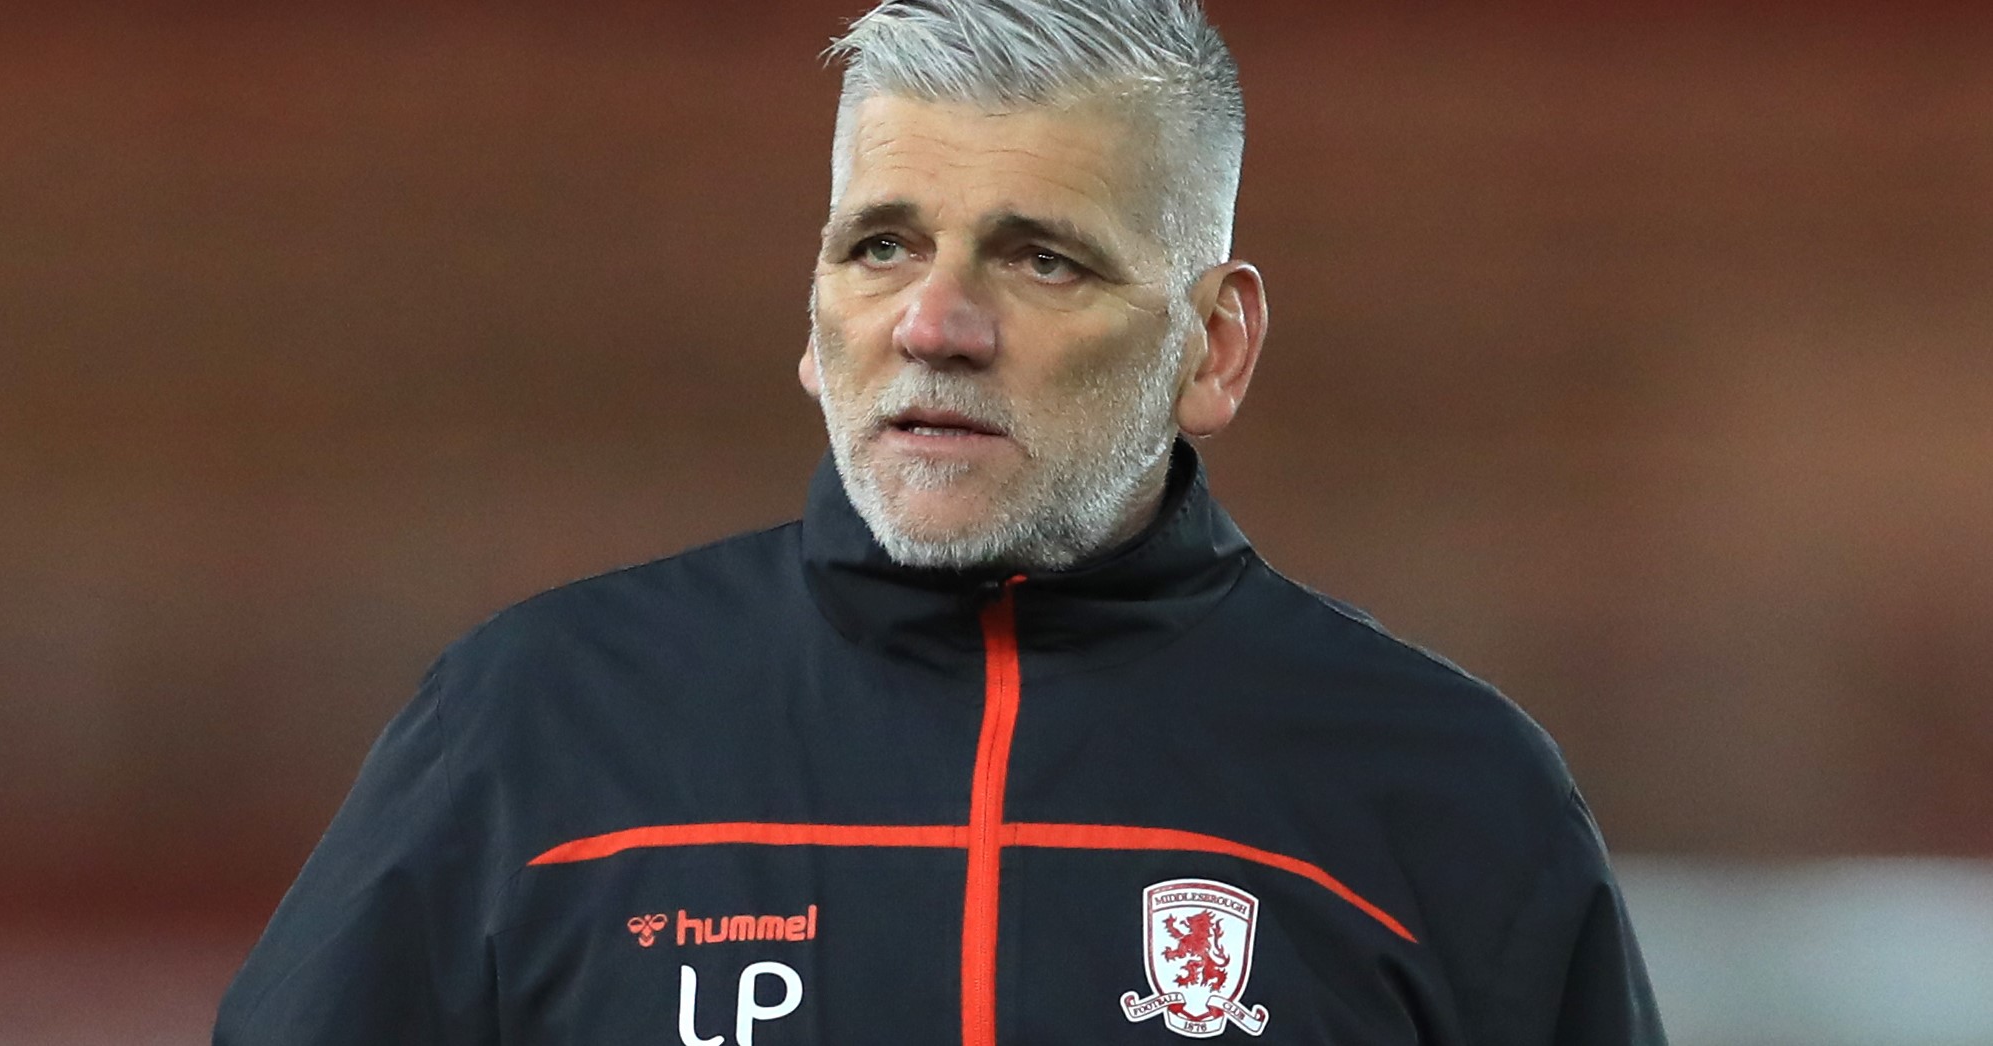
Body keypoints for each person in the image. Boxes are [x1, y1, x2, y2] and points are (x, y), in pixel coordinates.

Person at [216, 1, 1665, 1043]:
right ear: (814, 318)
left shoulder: (1448, 794)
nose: (935, 323)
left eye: (1042, 260)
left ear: (1213, 348)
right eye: (883, 245)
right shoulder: (529, 729)